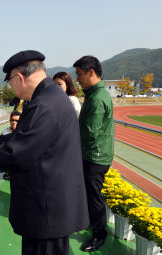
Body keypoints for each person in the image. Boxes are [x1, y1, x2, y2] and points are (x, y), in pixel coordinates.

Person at [0, 50, 89, 255]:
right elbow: (25, 136)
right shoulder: (50, 96)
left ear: (19, 78)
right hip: (51, 204)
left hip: (46, 208)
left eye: (10, 82)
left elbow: (18, 153)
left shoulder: (44, 104)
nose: (11, 88)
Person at [73, 56, 114, 252]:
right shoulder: (96, 94)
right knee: (92, 196)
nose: (78, 79)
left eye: (80, 75)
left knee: (94, 198)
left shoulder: (97, 98)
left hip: (94, 157)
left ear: (91, 73)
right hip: (94, 155)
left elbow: (90, 132)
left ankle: (99, 235)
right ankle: (94, 227)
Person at [0, 110, 21, 180]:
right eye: (12, 120)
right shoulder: (4, 132)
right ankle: (8, 171)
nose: (14, 122)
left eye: (16, 120)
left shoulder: (24, 132)